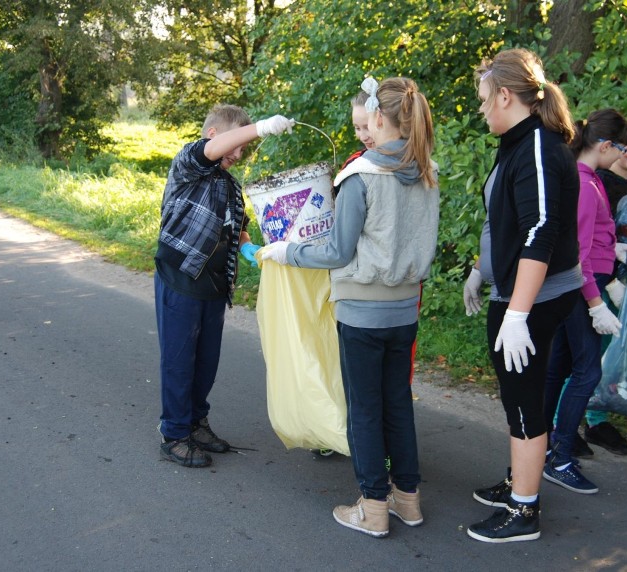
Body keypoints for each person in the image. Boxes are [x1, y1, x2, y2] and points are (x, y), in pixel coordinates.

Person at [261, 76, 439, 538]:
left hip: (361, 311)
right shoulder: (425, 171)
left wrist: (288, 252)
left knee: (364, 408)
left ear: (379, 118)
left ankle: (373, 506)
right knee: (398, 403)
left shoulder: (361, 177)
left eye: (365, 123)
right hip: (405, 310)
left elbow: (338, 252)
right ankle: (409, 501)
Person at [462, 48, 582, 543]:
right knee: (518, 396)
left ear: (507, 95)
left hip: (533, 297)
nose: (482, 110)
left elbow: (541, 230)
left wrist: (517, 313)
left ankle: (524, 509)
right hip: (517, 291)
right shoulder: (516, 143)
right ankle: (519, 480)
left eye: (485, 100)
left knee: (523, 398)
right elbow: (504, 221)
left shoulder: (536, 145)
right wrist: (480, 269)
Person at [154, 105, 295, 468]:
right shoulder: (189, 162)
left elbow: (239, 226)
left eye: (243, 149)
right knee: (180, 360)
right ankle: (174, 434)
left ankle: (196, 423)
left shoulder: (230, 185)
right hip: (181, 277)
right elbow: (213, 151)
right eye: (236, 144)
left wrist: (249, 247)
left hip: (214, 285)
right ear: (214, 135)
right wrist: (261, 127)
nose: (238, 154)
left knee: (206, 362)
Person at [542, 109, 627, 495]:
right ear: (605, 145)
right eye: (622, 148)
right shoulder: (583, 184)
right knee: (587, 371)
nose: (624, 156)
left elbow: (590, 236)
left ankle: (545, 442)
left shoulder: (591, 180)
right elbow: (576, 253)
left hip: (585, 283)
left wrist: (610, 247)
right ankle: (560, 454)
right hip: (584, 288)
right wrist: (596, 303)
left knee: (560, 365)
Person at [582, 116, 627, 456]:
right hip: (598, 279)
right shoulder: (600, 180)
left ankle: (597, 418)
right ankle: (567, 419)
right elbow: (594, 236)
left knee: (614, 351)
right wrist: (609, 279)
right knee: (588, 351)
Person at [314, 90, 377, 459]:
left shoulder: (398, 166)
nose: (363, 134)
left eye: (367, 125)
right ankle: (345, 430)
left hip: (380, 287)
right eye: (356, 128)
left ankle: (374, 449)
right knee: (350, 368)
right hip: (353, 284)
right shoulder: (354, 164)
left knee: (383, 383)